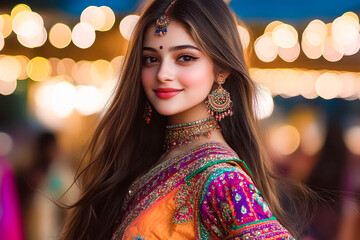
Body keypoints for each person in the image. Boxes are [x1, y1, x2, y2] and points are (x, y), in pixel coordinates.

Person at [60, 0, 299, 239]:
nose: (163, 74)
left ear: (221, 69)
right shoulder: (145, 160)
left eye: (185, 57)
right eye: (151, 59)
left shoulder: (223, 180)